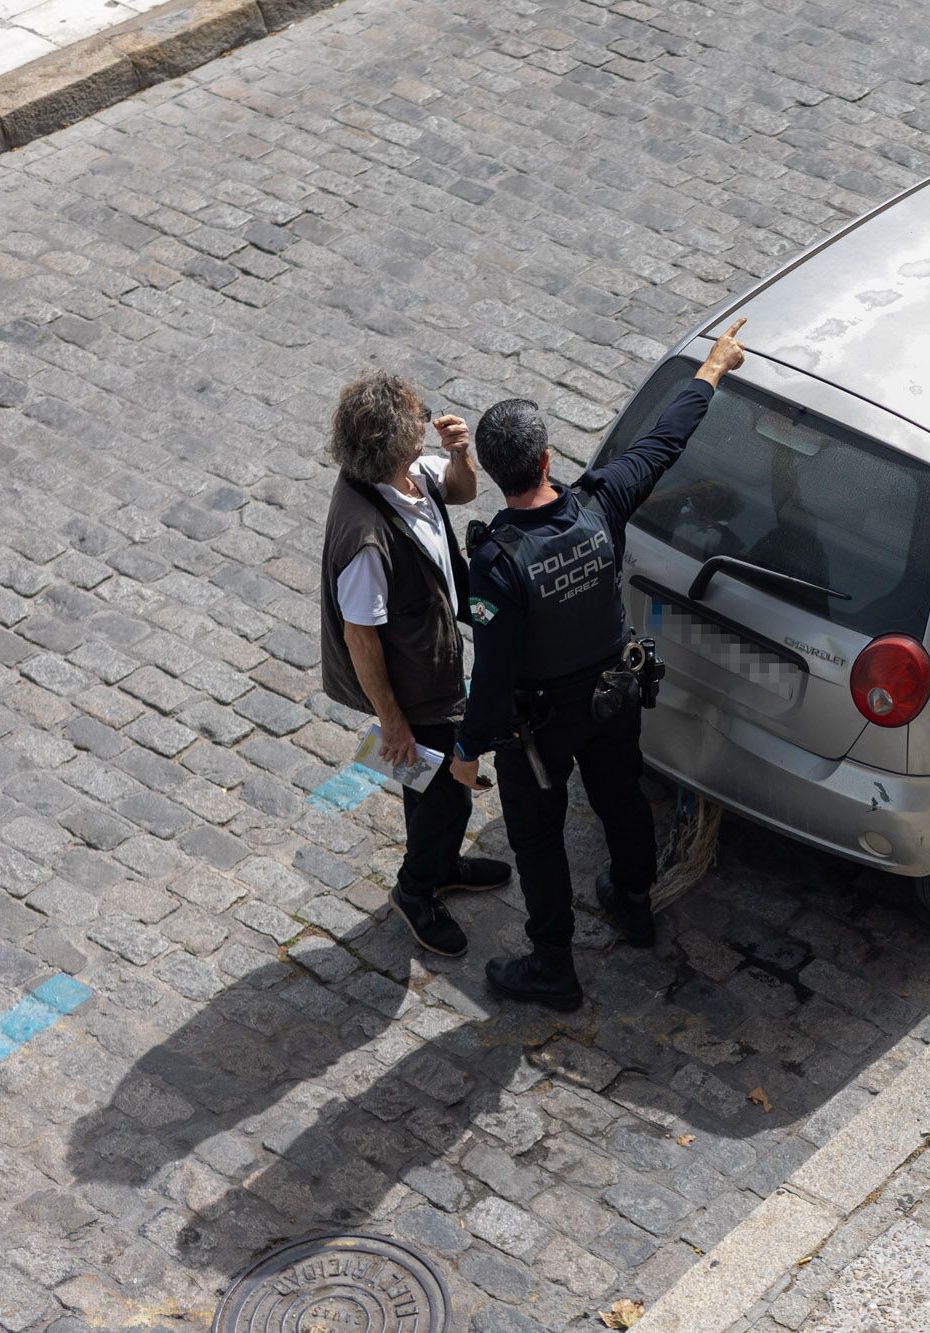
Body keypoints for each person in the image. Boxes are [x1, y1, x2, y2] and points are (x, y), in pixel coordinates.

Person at [450, 321, 749, 1009]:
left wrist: (468, 750)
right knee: (619, 796)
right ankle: (634, 899)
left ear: (498, 476)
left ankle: (553, 963)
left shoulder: (497, 565)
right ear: (548, 459)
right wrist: (711, 367)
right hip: (612, 697)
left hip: (539, 726)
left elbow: (492, 673)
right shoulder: (601, 501)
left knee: (538, 837)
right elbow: (664, 442)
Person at [319, 370, 512, 958]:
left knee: (431, 789)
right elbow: (360, 636)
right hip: (414, 688)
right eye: (418, 418)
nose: (428, 418)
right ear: (389, 442)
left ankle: (441, 863)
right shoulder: (367, 539)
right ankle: (417, 887)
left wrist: (460, 454)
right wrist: (393, 722)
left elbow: (458, 490)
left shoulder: (404, 476)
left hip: (430, 663)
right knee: (443, 789)